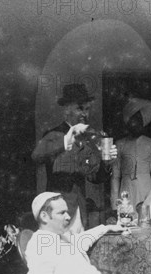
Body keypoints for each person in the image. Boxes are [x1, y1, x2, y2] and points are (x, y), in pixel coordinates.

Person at [31, 84, 116, 233]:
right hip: (56, 212)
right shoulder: (53, 135)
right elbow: (36, 156)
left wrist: (106, 162)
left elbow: (95, 177)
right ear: (67, 110)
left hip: (80, 211)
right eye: (79, 108)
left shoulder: (88, 141)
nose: (84, 114)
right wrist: (66, 141)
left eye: (87, 109)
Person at [111, 98, 151, 211]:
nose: (136, 124)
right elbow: (115, 176)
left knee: (146, 220)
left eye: (139, 120)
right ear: (128, 123)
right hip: (126, 190)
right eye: (133, 120)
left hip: (146, 189)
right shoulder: (120, 144)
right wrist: (114, 204)